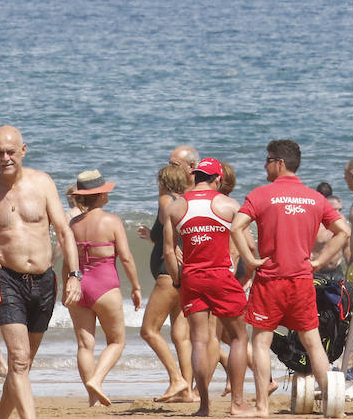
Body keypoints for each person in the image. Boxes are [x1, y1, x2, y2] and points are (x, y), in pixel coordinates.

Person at [0, 125, 79, 419]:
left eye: (11, 152)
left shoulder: (43, 183)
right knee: (19, 358)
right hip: (6, 278)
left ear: (23, 151)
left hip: (44, 281)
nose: (5, 158)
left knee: (22, 365)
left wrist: (73, 275)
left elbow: (64, 232)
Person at [231, 139, 349, 417]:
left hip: (270, 280)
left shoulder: (261, 195)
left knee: (260, 342)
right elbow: (342, 230)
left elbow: (236, 227)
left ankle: (262, 407)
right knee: (313, 342)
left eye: (268, 159)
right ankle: (332, 405)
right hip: (301, 280)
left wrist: (249, 260)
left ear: (280, 163)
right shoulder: (315, 198)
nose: (264, 164)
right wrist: (318, 261)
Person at [162, 158, 250, 417]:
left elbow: (169, 251)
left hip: (192, 277)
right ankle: (237, 403)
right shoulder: (229, 205)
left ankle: (203, 406)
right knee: (238, 337)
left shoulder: (175, 207)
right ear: (218, 179)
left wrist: (177, 280)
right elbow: (244, 245)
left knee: (199, 340)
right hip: (222, 276)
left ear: (195, 177)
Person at [68, 169, 141, 406]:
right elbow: (127, 258)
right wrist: (136, 287)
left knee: (84, 345)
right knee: (117, 341)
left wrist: (66, 287)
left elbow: (69, 260)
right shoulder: (112, 221)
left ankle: (93, 399)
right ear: (99, 195)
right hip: (105, 286)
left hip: (79, 286)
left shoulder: (73, 224)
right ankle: (97, 380)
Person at [140, 163, 196, 403]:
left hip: (167, 274)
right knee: (180, 336)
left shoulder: (166, 200)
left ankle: (177, 379)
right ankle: (188, 391)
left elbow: (169, 223)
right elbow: (174, 231)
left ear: (163, 181)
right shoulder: (185, 201)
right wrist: (155, 238)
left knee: (149, 331)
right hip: (182, 274)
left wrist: (171, 247)